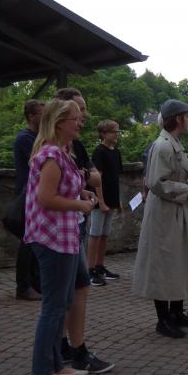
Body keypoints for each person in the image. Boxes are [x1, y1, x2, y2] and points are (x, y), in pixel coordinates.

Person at [23, 98, 96, 375]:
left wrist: (83, 196)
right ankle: (42, 370)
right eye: (75, 118)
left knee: (63, 303)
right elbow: (45, 198)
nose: (80, 122)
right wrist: (80, 206)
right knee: (53, 308)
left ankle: (56, 365)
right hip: (51, 238)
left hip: (63, 238)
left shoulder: (63, 152)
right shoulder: (52, 154)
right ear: (59, 123)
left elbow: (60, 191)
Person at [52, 87, 114, 374]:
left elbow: (96, 177)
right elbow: (46, 193)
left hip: (73, 225)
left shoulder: (75, 146)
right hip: (59, 230)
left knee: (78, 288)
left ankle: (70, 348)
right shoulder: (52, 148)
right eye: (78, 111)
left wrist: (81, 177)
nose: (83, 117)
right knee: (66, 295)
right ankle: (65, 353)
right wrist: (82, 179)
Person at [132, 99, 188, 339]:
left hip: (174, 210)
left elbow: (175, 175)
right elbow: (157, 183)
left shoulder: (173, 143)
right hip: (164, 213)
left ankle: (177, 312)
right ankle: (163, 320)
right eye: (186, 116)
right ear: (178, 119)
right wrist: (187, 188)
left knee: (178, 259)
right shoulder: (163, 146)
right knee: (163, 262)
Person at [13, 99, 44, 301]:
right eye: (42, 113)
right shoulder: (25, 138)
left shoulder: (35, 137)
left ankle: (33, 282)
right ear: (32, 116)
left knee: (33, 241)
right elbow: (39, 162)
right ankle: (23, 286)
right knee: (27, 241)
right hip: (27, 196)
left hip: (35, 195)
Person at [88, 119, 123, 285]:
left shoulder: (116, 152)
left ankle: (100, 266)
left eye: (117, 131)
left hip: (111, 200)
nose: (117, 134)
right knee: (95, 234)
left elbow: (116, 178)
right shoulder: (99, 152)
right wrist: (100, 201)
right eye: (113, 131)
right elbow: (98, 179)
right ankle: (90, 269)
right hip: (100, 202)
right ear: (103, 134)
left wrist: (118, 201)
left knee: (104, 235)